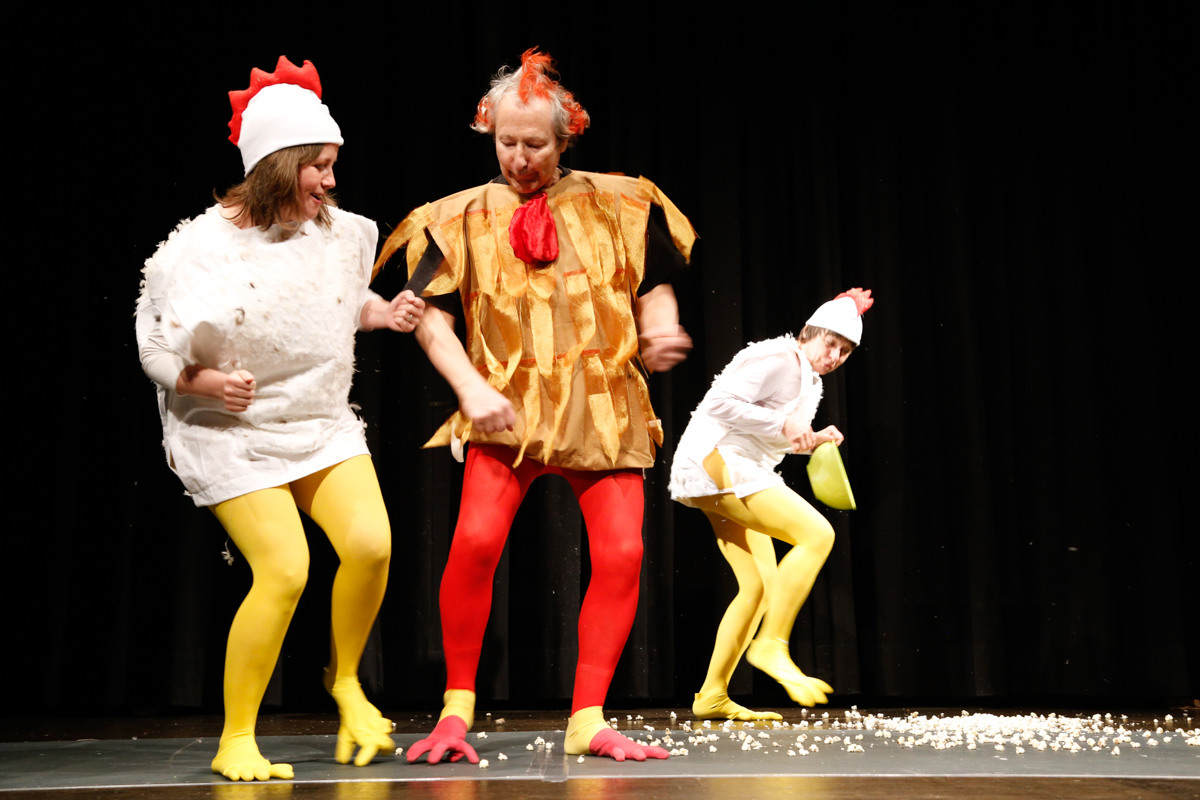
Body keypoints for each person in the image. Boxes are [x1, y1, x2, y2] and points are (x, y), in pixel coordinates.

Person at [375, 49, 694, 763]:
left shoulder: (619, 202)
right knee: (475, 543)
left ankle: (588, 716)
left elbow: (655, 283)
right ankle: (456, 709)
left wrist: (661, 326)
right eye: (506, 143)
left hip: (600, 403)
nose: (519, 159)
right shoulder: (456, 218)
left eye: (535, 145)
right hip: (506, 408)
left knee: (623, 553)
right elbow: (430, 319)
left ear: (565, 138)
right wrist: (470, 388)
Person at [135, 56, 424, 781]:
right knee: (286, 569)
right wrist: (204, 383)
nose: (329, 181)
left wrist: (381, 313)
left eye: (333, 166)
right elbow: (154, 347)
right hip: (227, 432)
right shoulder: (198, 249)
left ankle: (345, 681)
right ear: (276, 166)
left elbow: (335, 299)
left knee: (371, 545)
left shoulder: (337, 233)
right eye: (317, 167)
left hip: (316, 419)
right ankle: (236, 737)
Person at [668, 289, 873, 721]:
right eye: (830, 344)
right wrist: (785, 423)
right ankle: (771, 644)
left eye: (845, 352)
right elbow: (718, 403)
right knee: (817, 534)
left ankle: (712, 695)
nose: (834, 357)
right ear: (810, 332)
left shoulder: (810, 380)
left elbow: (773, 434)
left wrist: (812, 439)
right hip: (718, 460)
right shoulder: (781, 358)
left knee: (759, 586)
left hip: (738, 468)